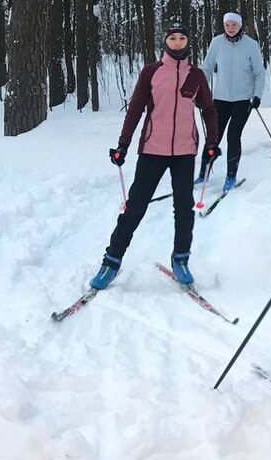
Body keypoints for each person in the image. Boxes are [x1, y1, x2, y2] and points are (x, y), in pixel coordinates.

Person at [90, 25, 221, 289]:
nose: (177, 42)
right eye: (172, 38)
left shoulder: (196, 75)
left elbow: (208, 109)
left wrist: (212, 142)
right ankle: (111, 261)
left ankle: (180, 259)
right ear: (165, 42)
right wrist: (123, 145)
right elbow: (135, 109)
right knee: (135, 207)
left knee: (184, 208)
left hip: (184, 151)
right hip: (152, 150)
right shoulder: (152, 72)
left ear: (187, 41)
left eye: (182, 38)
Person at [198, 11, 266, 192]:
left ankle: (231, 175)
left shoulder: (251, 45)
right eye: (227, 25)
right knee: (214, 136)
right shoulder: (217, 42)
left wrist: (257, 95)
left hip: (243, 100)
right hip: (220, 99)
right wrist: (201, 94)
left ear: (240, 26)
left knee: (233, 136)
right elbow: (206, 68)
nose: (230, 28)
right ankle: (203, 173)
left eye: (234, 25)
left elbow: (259, 72)